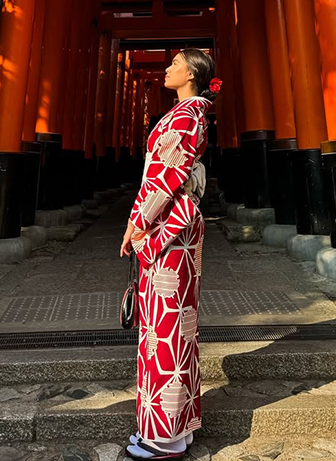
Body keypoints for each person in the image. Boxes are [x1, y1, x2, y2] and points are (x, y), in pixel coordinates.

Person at [120, 48, 222, 460]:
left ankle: (163, 439)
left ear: (193, 73)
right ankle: (177, 430)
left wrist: (136, 221)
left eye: (176, 64)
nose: (167, 68)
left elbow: (166, 174)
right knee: (175, 328)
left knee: (165, 331)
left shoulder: (186, 115)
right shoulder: (191, 112)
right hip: (176, 228)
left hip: (168, 229)